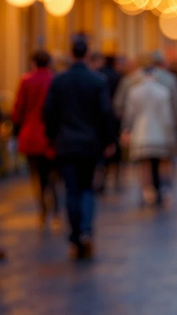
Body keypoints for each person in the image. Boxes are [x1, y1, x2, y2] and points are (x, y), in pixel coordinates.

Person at [43, 39, 112, 259]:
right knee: (87, 188)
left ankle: (74, 233)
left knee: (71, 189)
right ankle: (85, 230)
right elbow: (105, 114)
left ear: (71, 54)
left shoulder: (59, 81)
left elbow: (49, 113)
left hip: (66, 143)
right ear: (88, 54)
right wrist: (108, 140)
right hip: (90, 144)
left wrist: (52, 137)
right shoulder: (97, 80)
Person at [122, 61, 177, 208]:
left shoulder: (134, 91)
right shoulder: (162, 91)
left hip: (141, 132)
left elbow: (129, 114)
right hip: (160, 133)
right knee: (161, 163)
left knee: (144, 165)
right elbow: (167, 116)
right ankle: (161, 189)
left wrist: (127, 130)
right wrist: (171, 132)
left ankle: (147, 191)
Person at [12, 51, 58, 228]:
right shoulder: (54, 80)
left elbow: (19, 108)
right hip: (48, 135)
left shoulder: (26, 80)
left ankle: (42, 208)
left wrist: (17, 128)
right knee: (51, 174)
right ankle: (54, 208)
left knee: (36, 174)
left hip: (30, 134)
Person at [96, 54, 123, 193]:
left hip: (100, 117)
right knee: (115, 147)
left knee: (102, 149)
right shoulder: (118, 77)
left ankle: (102, 178)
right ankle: (116, 175)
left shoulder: (98, 75)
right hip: (114, 116)